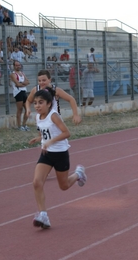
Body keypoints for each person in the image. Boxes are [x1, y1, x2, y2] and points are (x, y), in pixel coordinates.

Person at [28, 87, 86, 228]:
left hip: (60, 153)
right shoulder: (37, 117)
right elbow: (46, 131)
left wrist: (51, 141)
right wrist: (39, 138)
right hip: (46, 154)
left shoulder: (54, 115)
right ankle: (43, 215)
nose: (37, 106)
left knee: (64, 186)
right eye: (35, 103)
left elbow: (66, 133)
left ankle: (78, 174)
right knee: (37, 182)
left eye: (40, 102)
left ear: (49, 104)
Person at [10, 60, 30, 131]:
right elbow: (17, 84)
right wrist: (23, 84)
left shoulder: (22, 73)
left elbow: (28, 82)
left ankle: (24, 124)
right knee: (20, 109)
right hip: (18, 92)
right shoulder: (13, 74)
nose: (18, 66)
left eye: (19, 65)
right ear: (14, 66)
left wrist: (21, 83)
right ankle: (19, 125)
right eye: (16, 65)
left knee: (27, 109)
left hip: (24, 91)